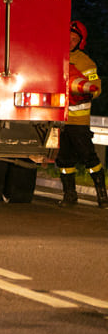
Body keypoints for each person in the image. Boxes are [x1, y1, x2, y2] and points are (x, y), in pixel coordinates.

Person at [56, 20, 106, 208]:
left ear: (80, 41)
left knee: (89, 158)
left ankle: (102, 197)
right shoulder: (55, 55)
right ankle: (70, 196)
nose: (70, 41)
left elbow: (97, 87)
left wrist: (87, 90)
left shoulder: (87, 63)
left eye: (74, 38)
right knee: (64, 160)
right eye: (68, 37)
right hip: (60, 121)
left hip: (78, 121)